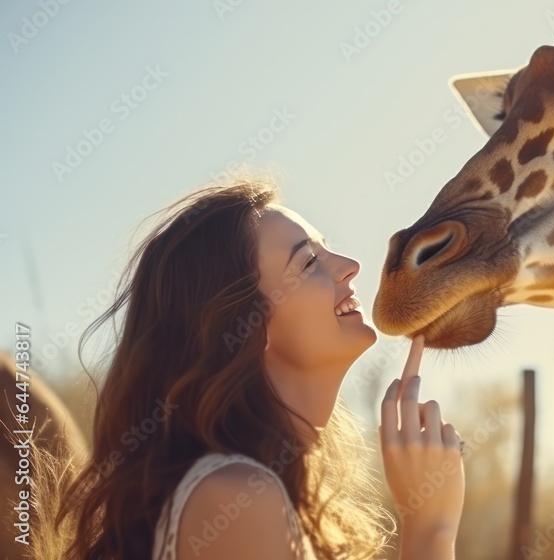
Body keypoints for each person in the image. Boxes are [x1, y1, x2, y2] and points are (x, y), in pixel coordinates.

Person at [27, 176, 465, 559]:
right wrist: (431, 527)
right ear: (246, 326)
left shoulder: (256, 492)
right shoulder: (235, 496)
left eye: (326, 249)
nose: (351, 267)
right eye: (309, 262)